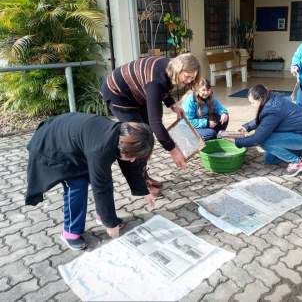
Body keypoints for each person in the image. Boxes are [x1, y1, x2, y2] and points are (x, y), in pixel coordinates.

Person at [25, 113, 155, 251]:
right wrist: (110, 224)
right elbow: (101, 187)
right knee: (77, 185)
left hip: (77, 144)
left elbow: (129, 166)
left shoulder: (122, 137)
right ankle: (70, 232)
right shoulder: (102, 148)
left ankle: (103, 216)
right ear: (124, 148)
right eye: (133, 156)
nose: (133, 160)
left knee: (103, 176)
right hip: (53, 146)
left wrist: (143, 190)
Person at [100, 53, 201, 196]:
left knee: (147, 135)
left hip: (137, 93)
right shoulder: (156, 81)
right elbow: (156, 123)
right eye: (187, 76)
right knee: (138, 139)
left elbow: (162, 90)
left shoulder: (169, 68)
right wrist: (173, 150)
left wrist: (172, 104)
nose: (189, 81)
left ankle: (143, 176)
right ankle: (140, 185)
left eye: (192, 77)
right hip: (119, 95)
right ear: (178, 69)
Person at [230, 85, 302, 177]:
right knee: (270, 160)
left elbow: (257, 139)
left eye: (252, 102)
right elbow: (264, 119)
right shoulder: (271, 98)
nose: (252, 105)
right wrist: (246, 127)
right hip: (301, 131)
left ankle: (298, 162)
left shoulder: (272, 109)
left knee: (265, 142)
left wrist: (236, 141)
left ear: (260, 98)